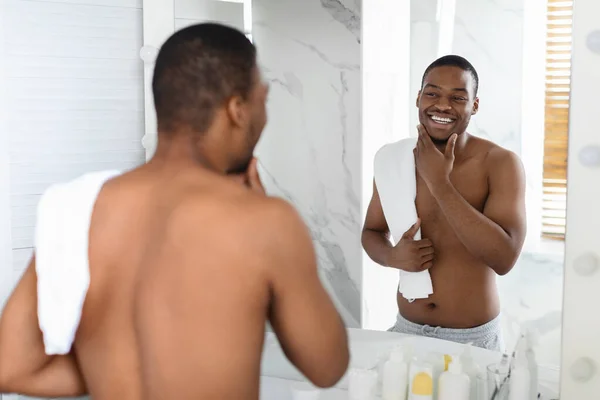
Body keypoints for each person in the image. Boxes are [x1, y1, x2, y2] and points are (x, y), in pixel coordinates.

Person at [0, 23, 349, 399]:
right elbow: (327, 367)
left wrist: (108, 365)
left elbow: (12, 367)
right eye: (262, 98)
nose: (265, 112)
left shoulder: (80, 209)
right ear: (237, 110)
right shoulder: (264, 221)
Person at [362, 55, 526, 351]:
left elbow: (505, 258)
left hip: (472, 341)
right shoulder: (392, 159)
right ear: (419, 97)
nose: (442, 105)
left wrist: (440, 184)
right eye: (433, 93)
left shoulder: (500, 163)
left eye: (458, 97)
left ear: (474, 106)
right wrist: (391, 257)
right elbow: (372, 231)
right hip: (406, 330)